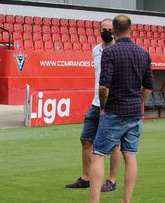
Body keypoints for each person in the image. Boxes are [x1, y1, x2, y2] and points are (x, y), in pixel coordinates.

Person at [89, 15, 154, 203]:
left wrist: (103, 107)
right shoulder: (144, 53)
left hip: (114, 111)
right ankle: (126, 200)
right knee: (131, 155)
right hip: (134, 113)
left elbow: (103, 87)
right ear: (131, 29)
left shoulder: (110, 52)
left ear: (114, 31)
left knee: (99, 154)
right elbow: (149, 86)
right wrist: (139, 102)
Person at [65, 19, 121, 192]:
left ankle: (111, 180)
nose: (106, 32)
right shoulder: (95, 50)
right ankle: (86, 178)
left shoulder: (119, 51)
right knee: (86, 140)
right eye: (104, 29)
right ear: (99, 30)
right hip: (96, 103)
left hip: (112, 104)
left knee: (114, 144)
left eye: (110, 29)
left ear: (115, 30)